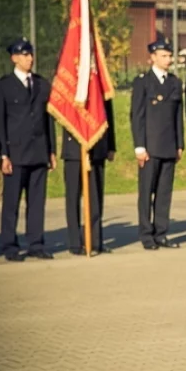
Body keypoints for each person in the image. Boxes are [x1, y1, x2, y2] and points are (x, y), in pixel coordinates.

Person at [0, 38, 57, 261]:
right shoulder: (3, 86)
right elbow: (0, 122)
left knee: (37, 202)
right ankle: (9, 245)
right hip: (16, 153)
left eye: (31, 54)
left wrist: (51, 150)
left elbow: (48, 120)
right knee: (12, 203)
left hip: (38, 151)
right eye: (25, 55)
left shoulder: (41, 84)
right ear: (14, 58)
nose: (30, 58)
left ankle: (36, 244)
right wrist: (3, 154)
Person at [131, 39, 184, 250]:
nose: (168, 59)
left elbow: (177, 116)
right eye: (163, 56)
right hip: (150, 147)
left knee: (164, 193)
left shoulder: (175, 82)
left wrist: (179, 144)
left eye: (169, 56)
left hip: (168, 145)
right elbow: (137, 116)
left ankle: (161, 233)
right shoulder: (143, 82)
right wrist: (139, 146)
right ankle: (146, 234)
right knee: (146, 192)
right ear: (153, 57)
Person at [62, 99, 116, 255]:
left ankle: (95, 241)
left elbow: (107, 113)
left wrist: (111, 145)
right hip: (74, 149)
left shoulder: (98, 85)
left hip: (97, 146)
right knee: (73, 198)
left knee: (96, 198)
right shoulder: (70, 85)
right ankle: (75, 243)